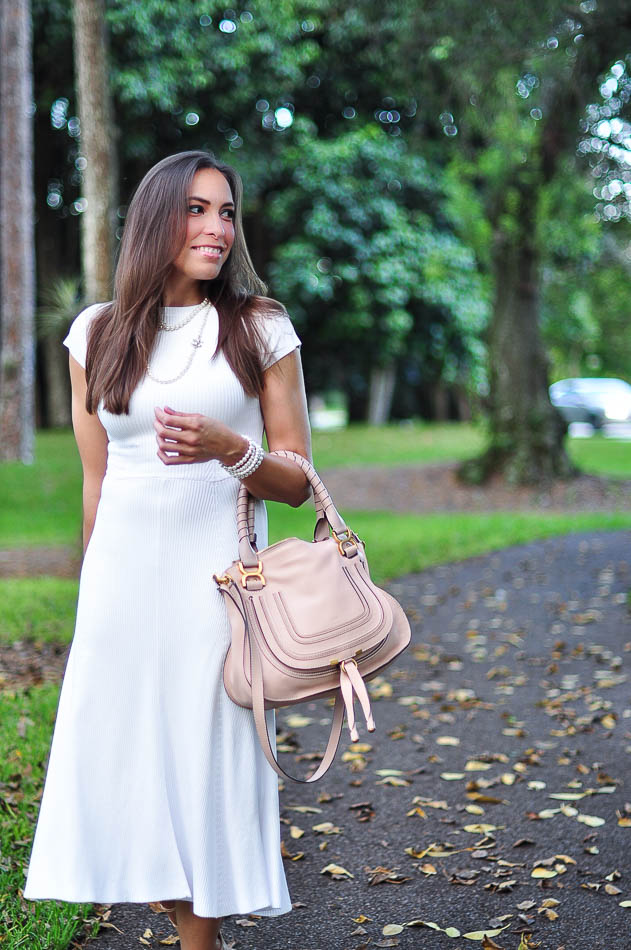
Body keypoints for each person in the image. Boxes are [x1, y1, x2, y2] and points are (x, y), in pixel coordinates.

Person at [24, 150, 312, 950]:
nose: (217, 228)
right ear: (156, 219)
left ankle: (200, 940)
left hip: (213, 586)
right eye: (197, 209)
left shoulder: (259, 328)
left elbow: (296, 479)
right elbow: (97, 479)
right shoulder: (98, 332)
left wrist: (232, 449)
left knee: (205, 766)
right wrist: (91, 592)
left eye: (226, 212)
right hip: (119, 587)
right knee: (129, 773)